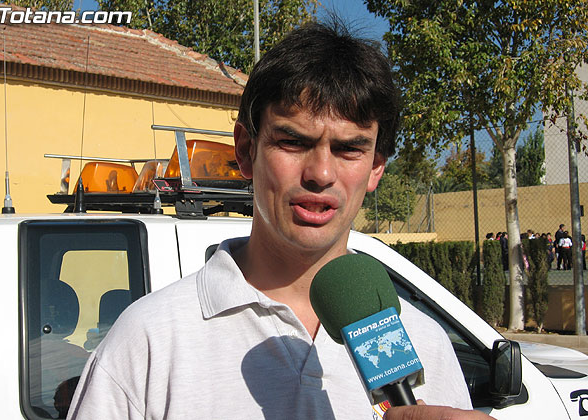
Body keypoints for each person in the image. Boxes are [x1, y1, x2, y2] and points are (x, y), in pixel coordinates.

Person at [67, 22, 492, 420]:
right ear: (245, 149)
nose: (321, 173)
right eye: (293, 141)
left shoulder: (425, 344)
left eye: (349, 149)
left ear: (376, 167)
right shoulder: (149, 339)